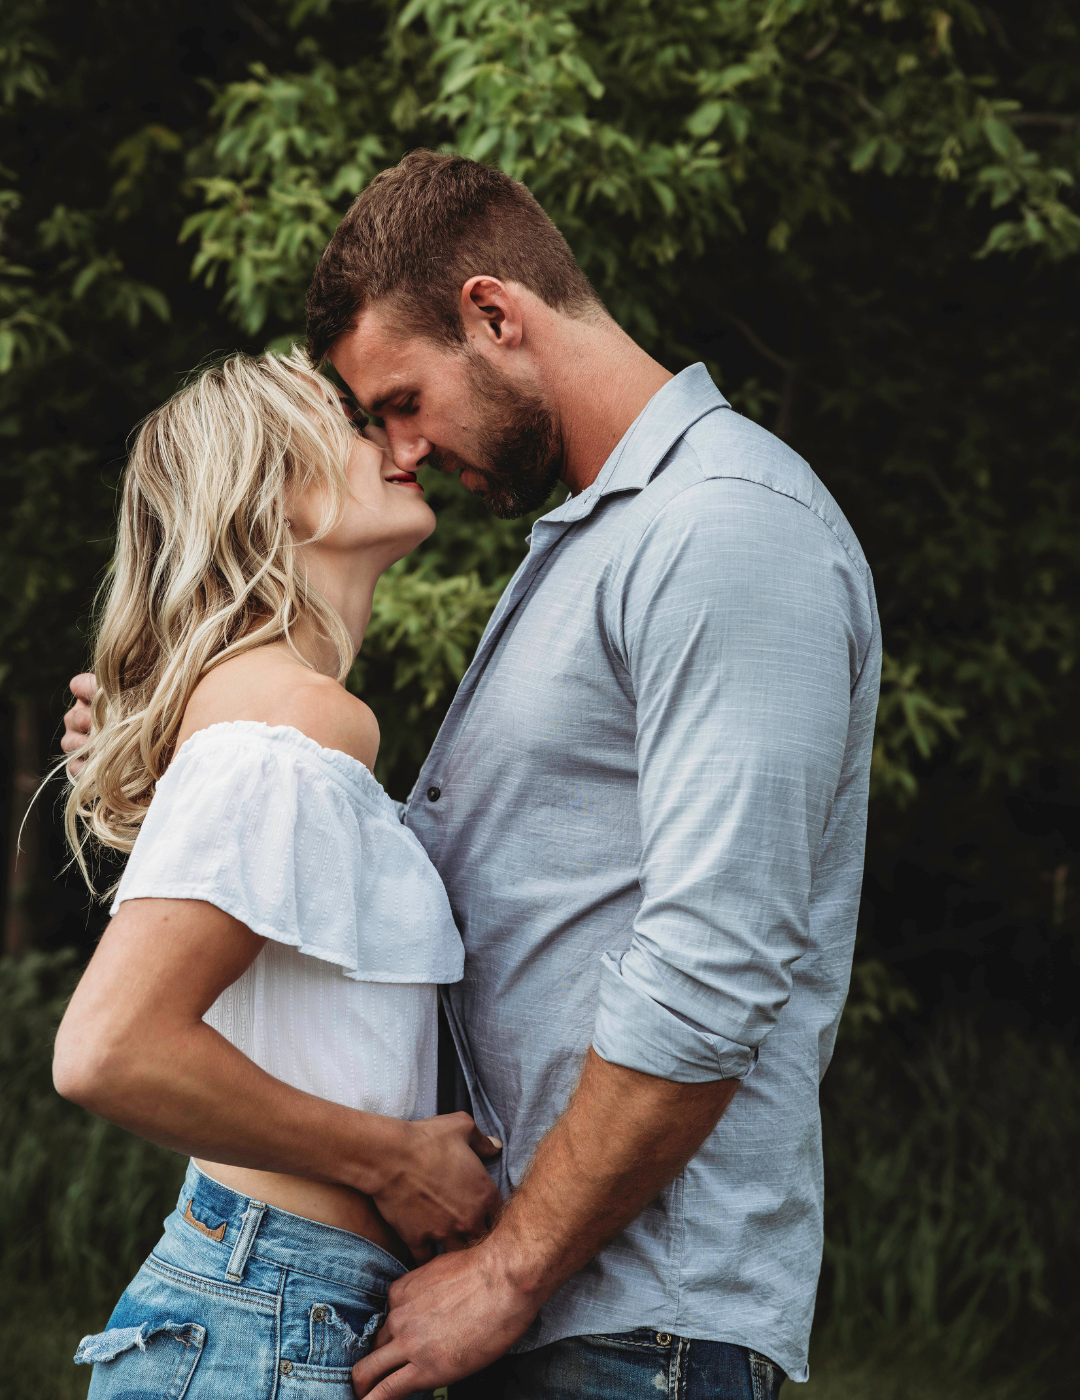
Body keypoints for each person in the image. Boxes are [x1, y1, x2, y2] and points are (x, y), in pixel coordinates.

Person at [66, 150, 881, 1400]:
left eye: (398, 398)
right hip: (514, 1299)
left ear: (495, 315)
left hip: (624, 1309)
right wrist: (179, 764)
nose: (401, 445)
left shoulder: (722, 529)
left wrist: (509, 1266)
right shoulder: (588, 547)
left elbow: (716, 960)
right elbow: (367, 910)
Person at [53, 347, 502, 1395]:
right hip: (264, 1307)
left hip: (275, 1301)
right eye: (351, 426)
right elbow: (106, 1047)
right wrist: (390, 1157)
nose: (400, 442)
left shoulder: (269, 720)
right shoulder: (294, 719)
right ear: (270, 492)